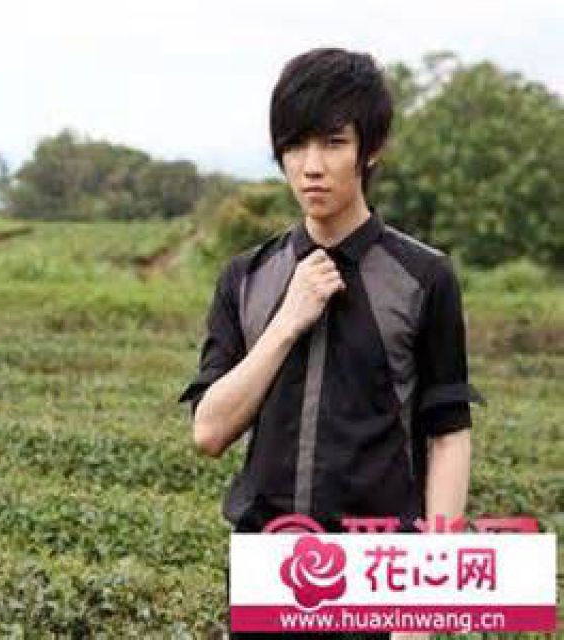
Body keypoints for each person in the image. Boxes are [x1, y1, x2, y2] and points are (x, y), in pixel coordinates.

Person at [179, 48, 485, 640]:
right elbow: (208, 431)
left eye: (333, 143)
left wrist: (425, 601)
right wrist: (287, 321)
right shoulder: (246, 277)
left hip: (379, 573)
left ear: (371, 148)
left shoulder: (424, 277)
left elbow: (448, 436)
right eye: (295, 146)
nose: (311, 167)